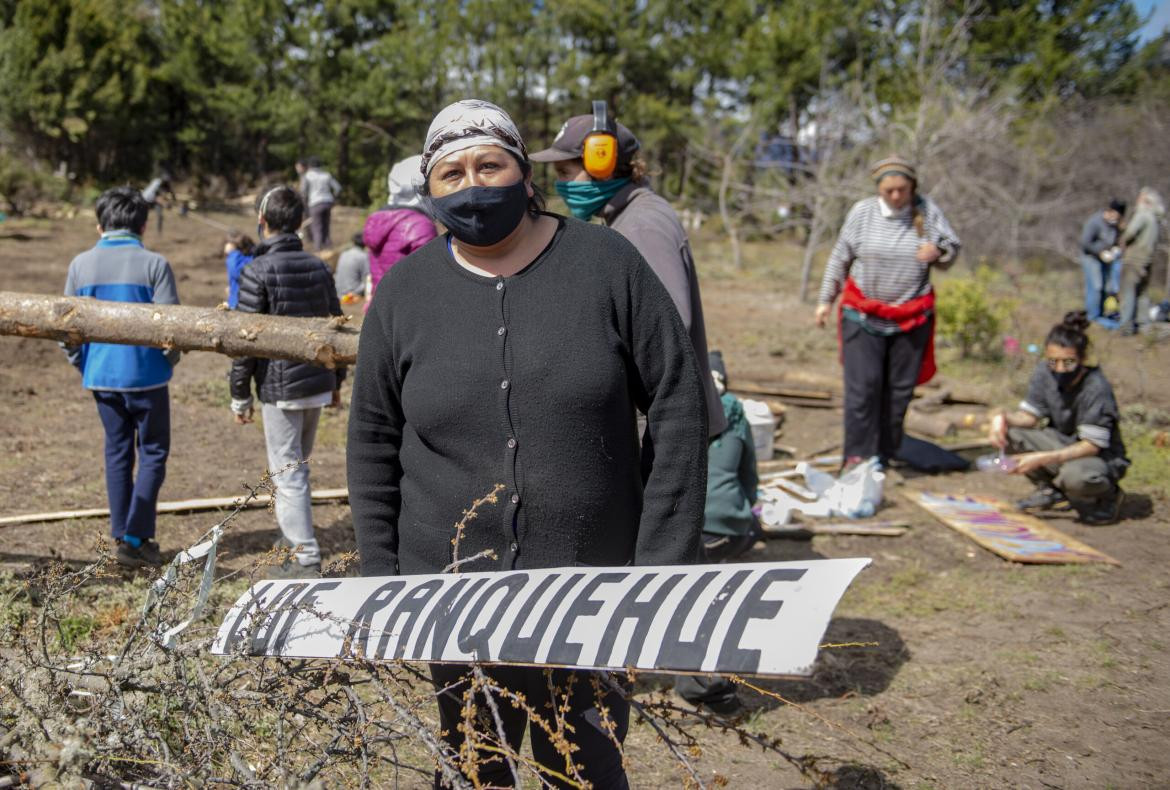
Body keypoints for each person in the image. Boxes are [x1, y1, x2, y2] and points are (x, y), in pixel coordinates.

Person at [347, 99, 708, 789]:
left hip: (591, 592)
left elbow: (679, 406)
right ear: (430, 189)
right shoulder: (404, 293)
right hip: (449, 596)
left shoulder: (608, 264)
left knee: (586, 769)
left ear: (523, 171)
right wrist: (381, 576)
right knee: (474, 767)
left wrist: (663, 566)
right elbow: (371, 438)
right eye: (451, 173)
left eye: (490, 164)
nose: (473, 184)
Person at [815, 155, 961, 470]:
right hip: (863, 314)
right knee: (863, 389)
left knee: (897, 394)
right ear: (878, 189)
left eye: (902, 190)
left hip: (911, 316)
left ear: (912, 188)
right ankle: (857, 456)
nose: (896, 196)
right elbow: (841, 256)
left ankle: (885, 451)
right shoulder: (863, 212)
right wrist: (826, 299)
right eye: (889, 190)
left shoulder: (926, 211)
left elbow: (952, 248)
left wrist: (938, 253)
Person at [230, 186, 345, 578]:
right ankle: (291, 533)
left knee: (289, 470)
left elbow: (245, 338)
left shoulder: (255, 270)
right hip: (316, 380)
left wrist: (238, 393)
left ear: (262, 223)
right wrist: (336, 381)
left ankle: (305, 553)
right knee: (295, 466)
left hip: (281, 388)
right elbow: (336, 327)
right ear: (299, 222)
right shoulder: (318, 267)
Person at [62, 187, 180, 567]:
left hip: (102, 379)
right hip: (148, 379)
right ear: (144, 224)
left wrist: (85, 363)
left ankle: (122, 534)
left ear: (100, 225)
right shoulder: (155, 264)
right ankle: (135, 538)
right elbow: (173, 327)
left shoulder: (79, 265)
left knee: (116, 452)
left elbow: (66, 328)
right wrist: (168, 361)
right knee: (153, 453)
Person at [988, 311, 1128, 525]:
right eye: (1054, 362)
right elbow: (1029, 417)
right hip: (1061, 442)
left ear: (1083, 359)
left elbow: (1091, 446)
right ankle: (1051, 489)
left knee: (1075, 478)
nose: (1060, 369)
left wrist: (1040, 458)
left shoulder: (1096, 388)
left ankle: (1108, 495)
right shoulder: (1045, 373)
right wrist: (1000, 417)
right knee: (1011, 434)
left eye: (1069, 362)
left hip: (1097, 457)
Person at [362, 154, 436, 302]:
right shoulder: (420, 226)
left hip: (381, 304)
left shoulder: (378, 220)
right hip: (408, 307)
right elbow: (428, 277)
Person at [1118, 188, 1164, 336]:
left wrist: (1123, 239)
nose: (1137, 200)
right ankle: (1144, 324)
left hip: (1134, 259)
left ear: (1146, 201)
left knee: (1128, 291)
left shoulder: (1143, 215)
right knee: (1142, 292)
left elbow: (1130, 232)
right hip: (1147, 260)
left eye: (1140, 198)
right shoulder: (1156, 219)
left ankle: (1126, 327)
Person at [1080, 199, 1126, 328]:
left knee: (1106, 287)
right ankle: (1092, 316)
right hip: (1091, 258)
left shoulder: (1114, 224)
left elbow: (1115, 240)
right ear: (1110, 211)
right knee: (1096, 287)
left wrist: (1116, 248)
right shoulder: (1095, 222)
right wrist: (1099, 252)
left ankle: (1100, 313)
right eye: (1117, 215)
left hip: (1107, 259)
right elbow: (1085, 242)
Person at [295, 157, 341, 250]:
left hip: (315, 203)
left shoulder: (307, 176)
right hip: (328, 201)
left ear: (310, 166)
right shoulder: (326, 175)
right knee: (326, 226)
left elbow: (303, 191)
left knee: (317, 227)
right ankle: (328, 247)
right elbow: (338, 188)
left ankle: (318, 248)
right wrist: (334, 198)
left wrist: (304, 201)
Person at [334, 232, 370, 302]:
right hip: (352, 293)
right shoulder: (363, 256)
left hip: (338, 291)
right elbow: (367, 277)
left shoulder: (344, 253)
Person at [223, 231, 255, 309]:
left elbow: (237, 271)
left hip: (239, 303)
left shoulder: (239, 260)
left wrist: (232, 253)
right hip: (239, 301)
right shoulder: (251, 258)